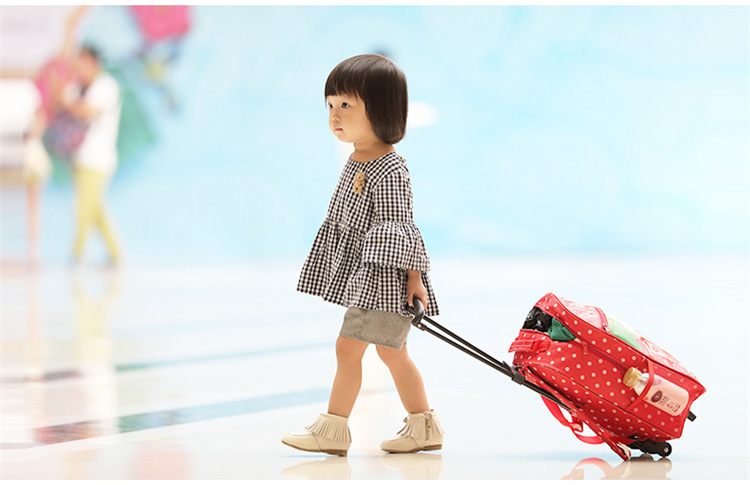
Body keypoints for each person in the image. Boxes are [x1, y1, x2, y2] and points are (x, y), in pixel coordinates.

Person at [282, 54, 443, 456]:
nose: (334, 115)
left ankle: (333, 430)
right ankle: (423, 426)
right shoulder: (359, 158)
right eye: (330, 105)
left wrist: (414, 279)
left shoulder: (388, 169)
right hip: (370, 277)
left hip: (383, 279)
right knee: (392, 352)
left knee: (349, 347)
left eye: (346, 105)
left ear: (382, 109)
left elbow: (401, 227)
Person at [56, 45, 122, 267]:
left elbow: (85, 111)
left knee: (84, 208)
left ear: (94, 63)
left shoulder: (106, 87)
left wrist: (67, 102)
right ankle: (115, 255)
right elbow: (60, 102)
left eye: (83, 64)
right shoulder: (77, 87)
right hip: (78, 157)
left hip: (98, 158)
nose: (79, 69)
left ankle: (77, 256)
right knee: (96, 210)